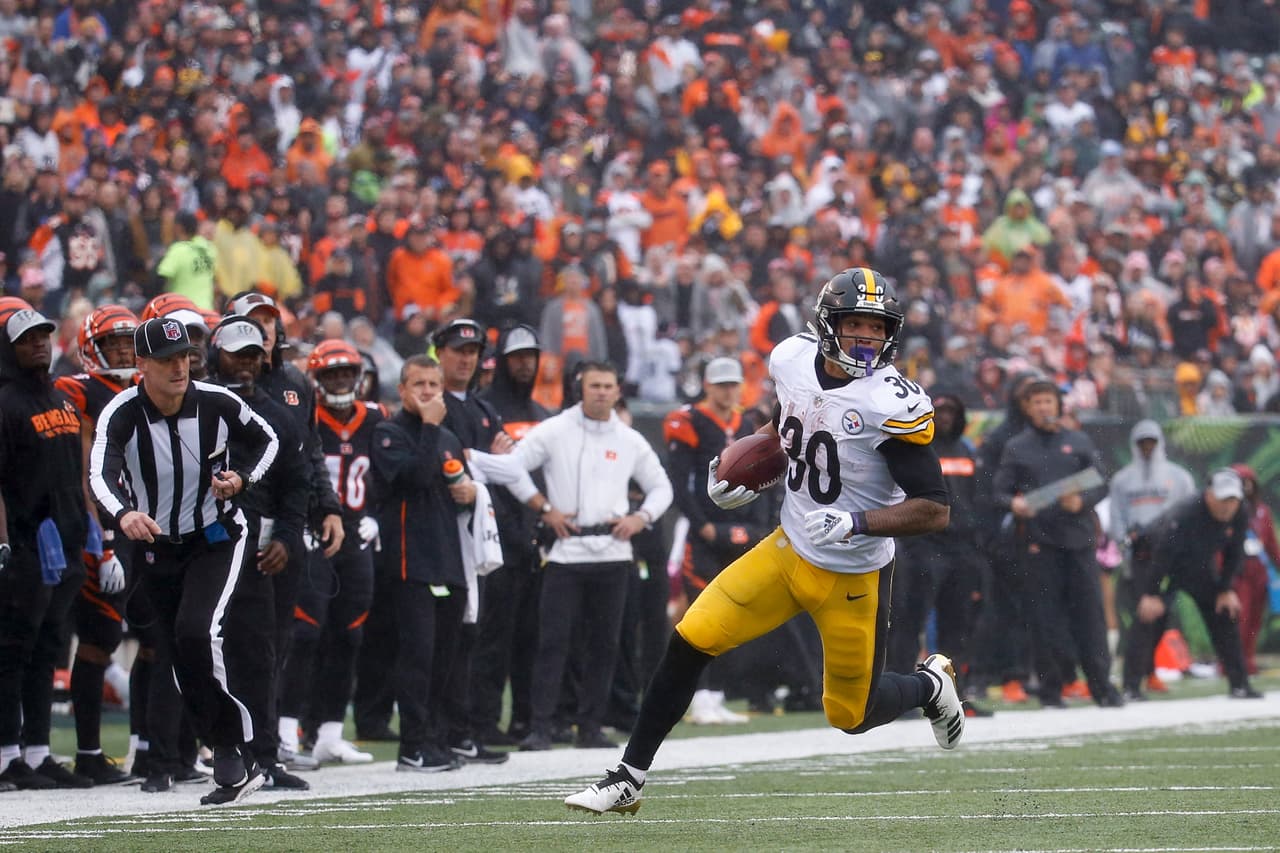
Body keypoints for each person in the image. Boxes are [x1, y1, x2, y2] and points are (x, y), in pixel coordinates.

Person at [564, 268, 959, 815]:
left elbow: (935, 509)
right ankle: (626, 778)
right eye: (855, 325)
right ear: (827, 325)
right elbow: (786, 427)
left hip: (854, 577)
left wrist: (857, 523)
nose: (867, 339)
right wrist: (746, 470)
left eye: (876, 328)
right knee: (690, 640)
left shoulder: (889, 403)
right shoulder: (792, 361)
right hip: (788, 549)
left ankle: (928, 686)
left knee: (851, 714)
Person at [89, 316, 280, 805]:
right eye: (167, 360)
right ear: (141, 364)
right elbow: (99, 472)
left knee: (197, 632)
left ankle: (231, 745)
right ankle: (226, 748)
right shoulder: (122, 412)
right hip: (157, 544)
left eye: (185, 358)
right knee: (177, 650)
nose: (179, 368)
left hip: (216, 536)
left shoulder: (217, 402)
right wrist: (124, 512)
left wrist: (241, 479)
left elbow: (268, 441)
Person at [513, 361, 674, 752]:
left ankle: (590, 726)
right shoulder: (554, 430)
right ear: (579, 389)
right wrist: (541, 507)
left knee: (605, 644)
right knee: (553, 642)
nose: (601, 392)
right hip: (567, 551)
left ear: (618, 391)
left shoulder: (629, 439)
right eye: (594, 386)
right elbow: (511, 466)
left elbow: (661, 488)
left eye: (608, 386)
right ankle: (542, 726)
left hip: (613, 552)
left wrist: (640, 518)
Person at [204, 315, 312, 792]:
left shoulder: (281, 415)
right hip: (198, 542)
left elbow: (296, 487)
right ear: (215, 355)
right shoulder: (196, 404)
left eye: (253, 354)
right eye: (236, 353)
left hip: (256, 548)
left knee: (260, 652)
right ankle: (163, 756)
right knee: (190, 644)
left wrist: (287, 538)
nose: (246, 363)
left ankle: (263, 756)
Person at [0, 308, 91, 790]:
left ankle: (37, 752)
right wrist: (4, 543)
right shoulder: (6, 403)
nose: (39, 344)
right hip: (24, 544)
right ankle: (5, 754)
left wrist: (89, 527)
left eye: (43, 336)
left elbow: (75, 472)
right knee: (11, 653)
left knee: (46, 651)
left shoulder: (60, 398)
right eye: (26, 339)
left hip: (65, 544)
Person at [279, 340, 382, 765]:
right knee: (304, 633)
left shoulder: (375, 418)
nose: (340, 381)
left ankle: (330, 732)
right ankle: (285, 729)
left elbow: (386, 475)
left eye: (346, 373)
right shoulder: (307, 416)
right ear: (316, 379)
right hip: (312, 527)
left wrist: (376, 514)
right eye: (331, 374)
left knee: (351, 633)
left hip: (356, 531)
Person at [992, 378, 1124, 708]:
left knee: (1090, 618)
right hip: (1039, 544)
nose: (1043, 407)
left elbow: (1102, 483)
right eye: (1036, 402)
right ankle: (1051, 690)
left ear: (1058, 405)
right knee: (1044, 619)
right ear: (1027, 408)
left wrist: (1082, 501)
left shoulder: (1078, 441)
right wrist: (1014, 504)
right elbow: (997, 492)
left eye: (1048, 401)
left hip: (1079, 542)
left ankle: (1102, 688)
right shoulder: (1016, 446)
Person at [371, 354, 473, 773]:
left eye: (435, 385)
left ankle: (434, 737)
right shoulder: (387, 433)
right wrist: (430, 427)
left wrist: (471, 492)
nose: (429, 392)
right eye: (420, 385)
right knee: (417, 655)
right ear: (403, 390)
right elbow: (410, 476)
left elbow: (455, 481)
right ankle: (412, 744)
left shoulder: (448, 436)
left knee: (444, 658)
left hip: (449, 559)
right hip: (411, 563)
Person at [51, 305, 139, 785]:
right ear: (91, 348)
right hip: (94, 529)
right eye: (114, 344)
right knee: (94, 636)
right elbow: (84, 466)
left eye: (129, 343)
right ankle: (76, 751)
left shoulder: (139, 392)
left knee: (123, 638)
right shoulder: (77, 390)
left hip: (132, 525)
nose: (124, 351)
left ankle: (129, 750)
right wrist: (101, 541)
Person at [662, 356, 772, 724]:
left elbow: (761, 474)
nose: (728, 391)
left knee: (729, 616)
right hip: (701, 530)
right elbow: (679, 482)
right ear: (707, 385)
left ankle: (716, 694)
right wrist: (700, 524)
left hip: (737, 528)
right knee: (700, 614)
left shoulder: (745, 422)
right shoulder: (688, 421)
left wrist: (756, 524)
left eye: (733, 384)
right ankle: (700, 696)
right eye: (721, 384)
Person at [471, 324, 552, 746]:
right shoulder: (485, 410)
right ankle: (483, 721)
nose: (525, 364)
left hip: (538, 540)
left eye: (531, 357)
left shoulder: (543, 414)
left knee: (533, 639)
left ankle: (527, 719)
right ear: (502, 362)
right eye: (517, 357)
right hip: (496, 540)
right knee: (492, 638)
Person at [886, 391, 989, 713]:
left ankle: (953, 699)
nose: (945, 416)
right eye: (939, 410)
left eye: (951, 410)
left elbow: (974, 499)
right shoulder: (917, 448)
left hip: (961, 550)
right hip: (923, 546)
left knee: (958, 628)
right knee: (909, 623)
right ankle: (899, 697)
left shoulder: (965, 450)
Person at [1124, 469, 1264, 700]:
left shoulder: (1240, 513)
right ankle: (1131, 688)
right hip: (1155, 561)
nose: (1227, 506)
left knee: (1223, 612)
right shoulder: (1186, 513)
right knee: (1148, 617)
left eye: (1233, 499)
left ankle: (1240, 685)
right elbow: (1163, 554)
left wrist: (1225, 589)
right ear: (1209, 495)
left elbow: (1234, 553)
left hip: (1196, 565)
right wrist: (1151, 593)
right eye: (1222, 499)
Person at [1105, 419, 1195, 697]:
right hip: (1141, 557)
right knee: (1143, 618)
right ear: (1135, 444)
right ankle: (1133, 681)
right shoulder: (1122, 480)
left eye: (1151, 442)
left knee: (1162, 618)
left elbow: (1190, 512)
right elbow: (1117, 517)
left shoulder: (1179, 477)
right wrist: (1125, 546)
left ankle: (1150, 671)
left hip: (1171, 555)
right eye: (1142, 442)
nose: (1147, 448)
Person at [1229, 465, 1279, 677]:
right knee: (1241, 619)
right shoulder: (1229, 511)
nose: (1245, 486)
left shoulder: (1262, 512)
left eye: (1248, 481)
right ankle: (1233, 664)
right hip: (1239, 573)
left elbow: (1271, 546)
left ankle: (1248, 661)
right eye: (1241, 481)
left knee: (1254, 621)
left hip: (1259, 573)